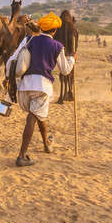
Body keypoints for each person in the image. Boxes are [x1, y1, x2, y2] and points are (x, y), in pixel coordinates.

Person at [6, 12, 76, 167]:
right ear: (54, 31)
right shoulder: (57, 46)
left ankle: (46, 143)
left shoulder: (29, 40)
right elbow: (65, 70)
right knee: (33, 117)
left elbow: (13, 59)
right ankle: (22, 155)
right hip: (42, 86)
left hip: (24, 87)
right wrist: (72, 59)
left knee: (39, 115)